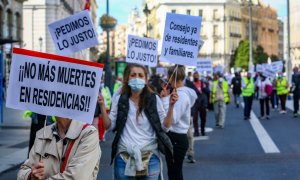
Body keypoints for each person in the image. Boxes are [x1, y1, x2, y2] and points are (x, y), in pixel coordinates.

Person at [98, 63, 178, 179]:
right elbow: (109, 126)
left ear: (146, 80)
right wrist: (102, 106)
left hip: (150, 157)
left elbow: (165, 127)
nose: (137, 78)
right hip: (123, 156)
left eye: (140, 75)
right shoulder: (119, 99)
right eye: (133, 75)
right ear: (127, 78)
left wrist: (171, 106)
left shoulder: (154, 99)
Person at [18, 117, 101, 180]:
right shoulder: (43, 133)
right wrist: (31, 176)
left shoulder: (88, 133)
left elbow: (77, 177)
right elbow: (24, 170)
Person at [163, 66, 197, 179]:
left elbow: (173, 119)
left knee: (174, 174)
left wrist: (165, 102)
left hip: (176, 138)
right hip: (177, 138)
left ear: (170, 77)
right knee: (174, 173)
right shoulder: (180, 93)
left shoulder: (181, 96)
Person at [93, 75, 111, 141]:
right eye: (100, 79)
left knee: (97, 125)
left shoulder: (104, 88)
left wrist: (101, 110)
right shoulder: (94, 88)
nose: (101, 81)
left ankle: (98, 138)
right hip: (94, 112)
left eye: (102, 79)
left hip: (98, 111)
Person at [191, 72, 208, 136]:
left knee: (203, 118)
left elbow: (207, 91)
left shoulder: (202, 83)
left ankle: (203, 130)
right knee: (195, 119)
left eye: (197, 76)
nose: (196, 77)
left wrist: (204, 87)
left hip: (203, 103)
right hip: (195, 103)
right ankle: (196, 131)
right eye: (195, 76)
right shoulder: (191, 84)